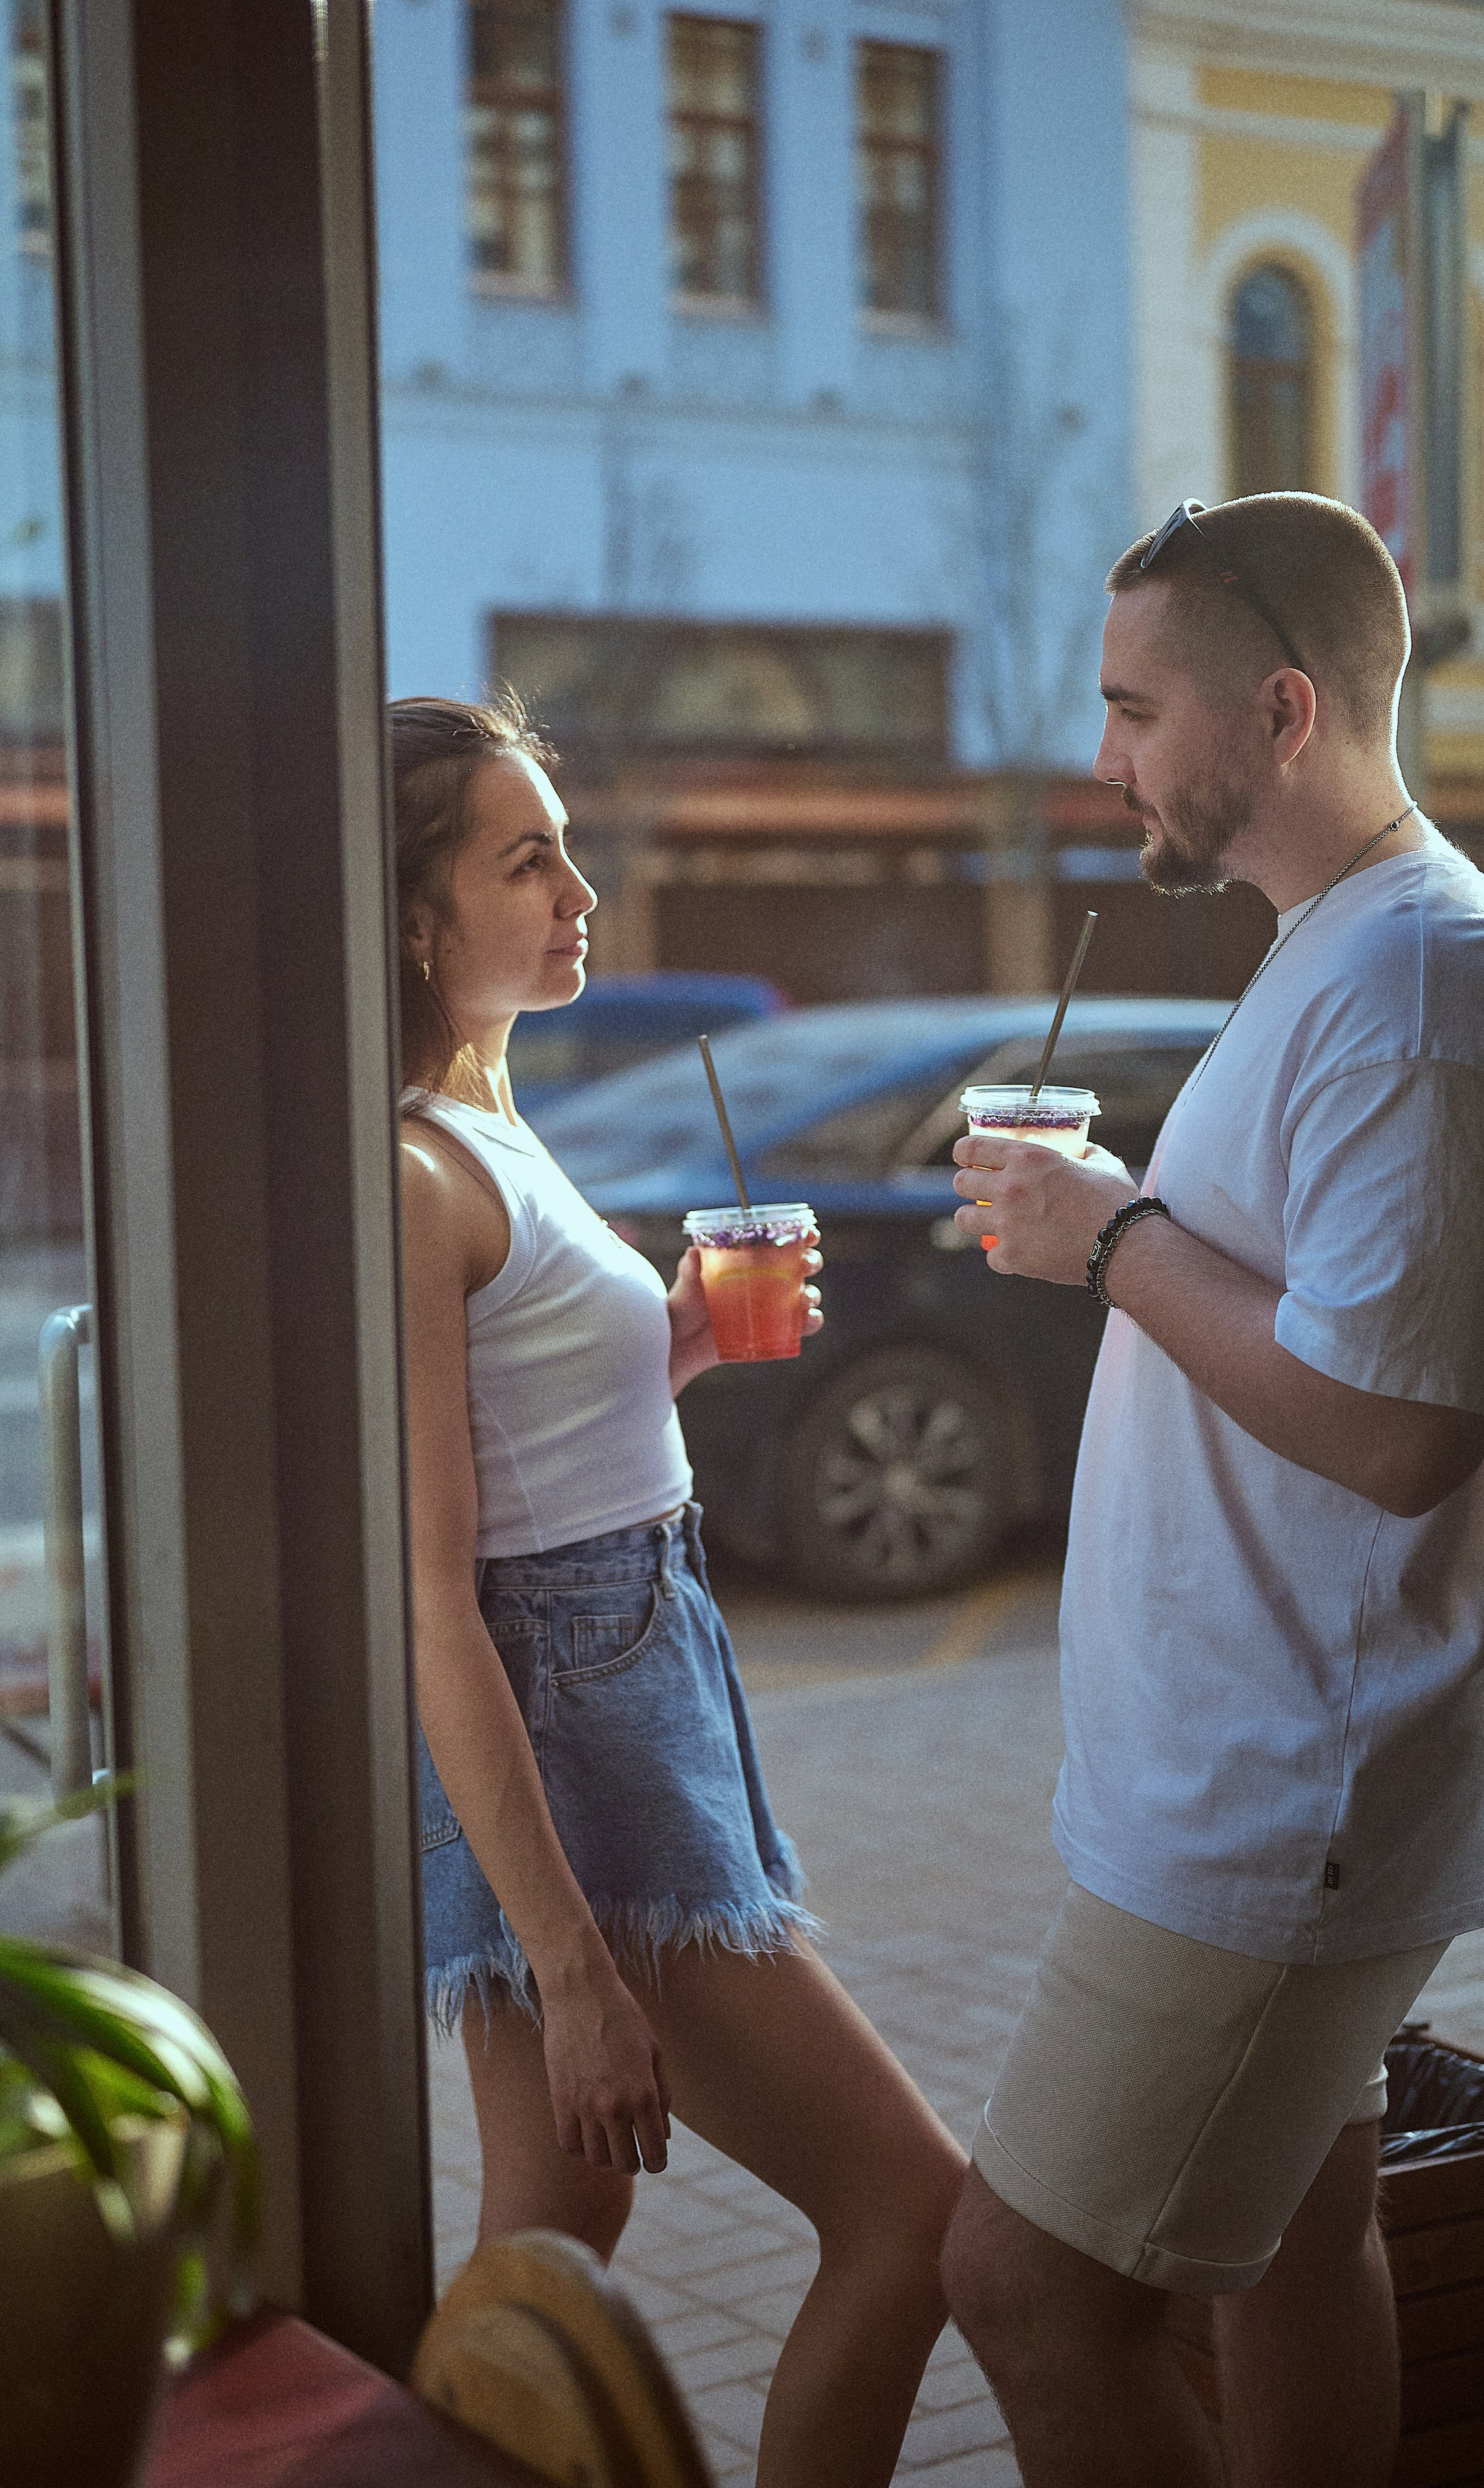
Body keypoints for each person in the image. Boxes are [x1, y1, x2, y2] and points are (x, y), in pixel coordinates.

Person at [937, 493, 1484, 2488]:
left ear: (1277, 709)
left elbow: (1405, 1427)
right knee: (1290, 2246)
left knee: (1020, 2279)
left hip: (1281, 1801)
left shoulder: (1418, 984)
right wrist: (1119, 1232)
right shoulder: (1336, 951)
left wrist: (1108, 1238)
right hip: (1254, 1767)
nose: (1105, 755)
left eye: (1132, 705)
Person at [392, 692, 964, 2488]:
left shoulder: (494, 1114)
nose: (579, 884)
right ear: (416, 920)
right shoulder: (414, 1170)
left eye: (566, 840)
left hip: (628, 1671)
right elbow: (434, 1583)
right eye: (526, 854)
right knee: (914, 2211)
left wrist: (693, 1334)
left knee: (539, 2271)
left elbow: (564, 1422)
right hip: (575, 1721)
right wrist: (570, 1963)